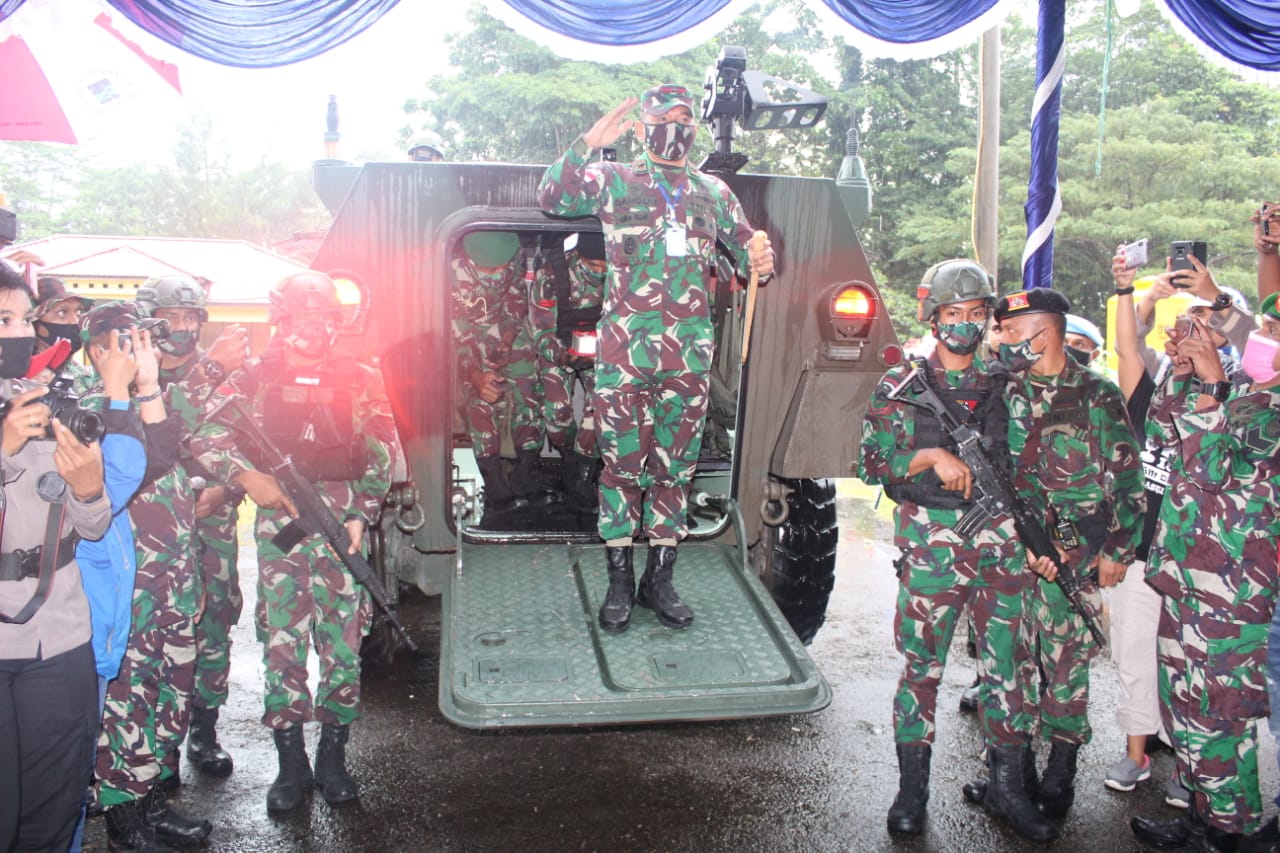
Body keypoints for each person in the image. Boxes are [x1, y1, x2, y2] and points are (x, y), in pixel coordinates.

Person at [537, 84, 773, 632]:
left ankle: (658, 580)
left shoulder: (713, 193)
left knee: (674, 473)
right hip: (625, 358)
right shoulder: (614, 181)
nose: (676, 124)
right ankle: (619, 582)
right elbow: (553, 197)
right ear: (641, 128)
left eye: (685, 117)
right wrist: (585, 145)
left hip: (686, 362)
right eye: (663, 117)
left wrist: (762, 254)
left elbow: (752, 257)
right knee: (620, 472)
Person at [859, 260, 1055, 841]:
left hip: (1000, 548)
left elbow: (1033, 467)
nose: (964, 325)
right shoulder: (901, 386)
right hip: (932, 546)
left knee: (1007, 670)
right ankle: (912, 791)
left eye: (975, 315)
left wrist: (1043, 540)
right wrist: (928, 458)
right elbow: (871, 463)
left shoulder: (1009, 386)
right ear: (933, 316)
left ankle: (1007, 789)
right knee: (922, 670)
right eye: (952, 314)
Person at [191, 270, 394, 812]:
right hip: (280, 531)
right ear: (282, 322)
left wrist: (363, 514)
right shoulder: (254, 375)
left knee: (343, 644)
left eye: (323, 318)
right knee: (282, 645)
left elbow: (383, 449)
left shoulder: (360, 375)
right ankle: (290, 762)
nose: (312, 329)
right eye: (302, 318)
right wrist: (244, 476)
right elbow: (202, 431)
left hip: (340, 527)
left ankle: (332, 757)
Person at [90, 300, 243, 851]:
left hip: (174, 587)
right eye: (125, 344)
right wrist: (121, 388)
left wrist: (194, 585)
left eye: (142, 342)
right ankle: (123, 816)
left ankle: (154, 801)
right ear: (97, 353)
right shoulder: (91, 413)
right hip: (130, 594)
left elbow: (175, 491)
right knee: (126, 706)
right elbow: (133, 471)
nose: (140, 354)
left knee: (168, 700)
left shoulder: (154, 409)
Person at [1129, 315, 1280, 853]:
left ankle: (1227, 830)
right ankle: (1199, 814)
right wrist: (1185, 370)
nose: (1265, 337)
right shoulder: (1247, 390)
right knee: (1184, 706)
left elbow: (1219, 471)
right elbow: (1165, 430)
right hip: (1186, 576)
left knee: (1220, 716)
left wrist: (1213, 386)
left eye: (1276, 331)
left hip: (1234, 593)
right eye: (1266, 326)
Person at [995, 287, 1145, 821]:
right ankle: (1016, 774)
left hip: (1075, 556)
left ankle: (1061, 770)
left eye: (1013, 330)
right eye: (1003, 331)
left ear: (1047, 330)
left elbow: (1128, 483)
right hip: (1013, 553)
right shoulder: (1003, 392)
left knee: (1065, 660)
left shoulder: (1095, 394)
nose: (1004, 339)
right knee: (1014, 661)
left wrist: (1117, 550)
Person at [0, 264, 110, 853]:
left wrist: (90, 488)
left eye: (22, 320)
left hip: (58, 637)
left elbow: (90, 529)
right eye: (4, 320)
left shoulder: (46, 401)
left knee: (50, 811)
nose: (20, 334)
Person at [136, 274, 249, 779]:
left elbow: (255, 446)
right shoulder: (132, 375)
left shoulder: (232, 378)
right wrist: (211, 368)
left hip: (213, 526)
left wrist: (232, 489)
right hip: (155, 534)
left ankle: (204, 729)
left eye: (190, 318)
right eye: (170, 318)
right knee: (156, 628)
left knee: (215, 619)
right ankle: (159, 746)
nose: (181, 329)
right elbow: (159, 432)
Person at [452, 231, 553, 516]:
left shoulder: (514, 255)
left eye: (501, 267)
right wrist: (474, 375)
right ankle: (494, 482)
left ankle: (525, 473)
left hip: (503, 327)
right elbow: (457, 340)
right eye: (489, 268)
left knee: (529, 379)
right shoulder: (449, 275)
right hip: (465, 339)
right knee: (483, 394)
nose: (498, 272)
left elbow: (514, 298)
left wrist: (507, 341)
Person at [531, 232, 606, 512]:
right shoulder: (551, 275)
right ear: (578, 257)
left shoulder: (621, 274)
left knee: (602, 407)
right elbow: (541, 333)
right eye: (593, 266)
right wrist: (563, 354)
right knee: (557, 413)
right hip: (559, 347)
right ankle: (569, 462)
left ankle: (584, 474)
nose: (600, 272)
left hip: (603, 351)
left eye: (604, 267)